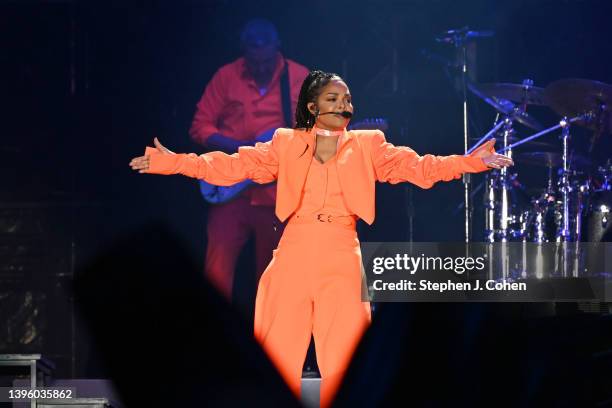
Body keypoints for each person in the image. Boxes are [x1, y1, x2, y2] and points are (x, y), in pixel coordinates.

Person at [130, 70, 513, 407]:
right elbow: (234, 166)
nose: (344, 103)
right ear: (312, 107)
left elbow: (418, 166)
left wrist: (470, 161)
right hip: (295, 252)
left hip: (342, 256)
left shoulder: (368, 144)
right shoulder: (285, 142)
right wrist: (175, 162)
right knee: (275, 359)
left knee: (347, 364)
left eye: (347, 98)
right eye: (333, 97)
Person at [189, 18, 309, 300]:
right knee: (216, 272)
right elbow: (200, 126)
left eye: (267, 62)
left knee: (272, 283)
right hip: (232, 193)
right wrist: (240, 146)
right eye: (255, 64)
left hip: (275, 197)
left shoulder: (299, 77)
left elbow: (310, 133)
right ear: (244, 53)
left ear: (277, 48)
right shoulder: (226, 76)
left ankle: (266, 343)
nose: (262, 69)